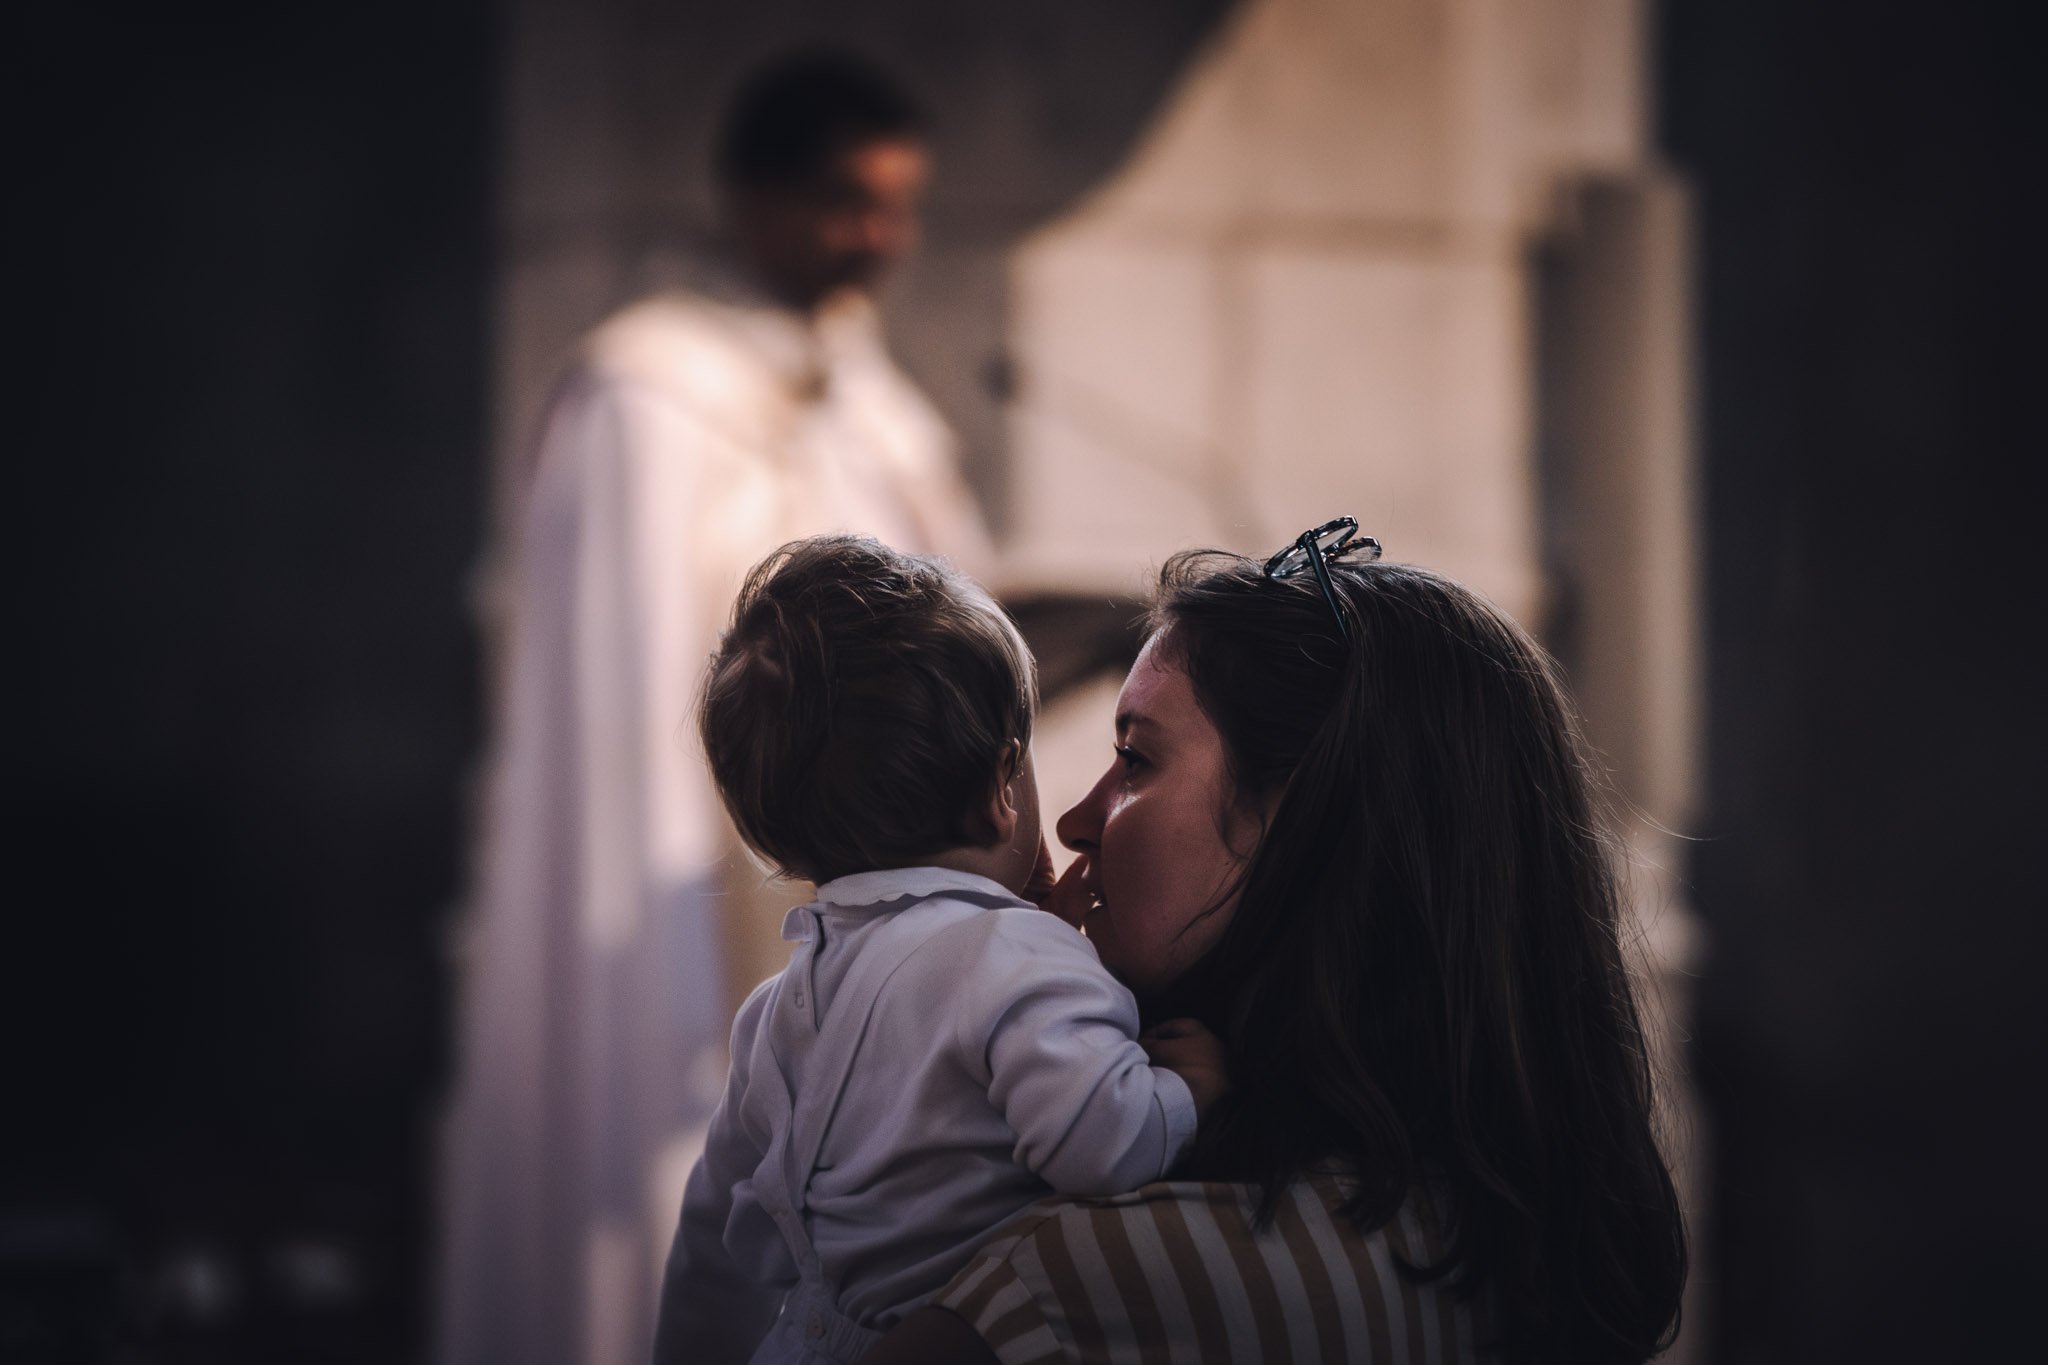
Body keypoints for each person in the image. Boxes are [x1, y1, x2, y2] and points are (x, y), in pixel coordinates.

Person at [438, 52, 989, 1365]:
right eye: (849, 202)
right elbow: (631, 697)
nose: (880, 241)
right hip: (704, 877)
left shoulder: (880, 411)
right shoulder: (646, 395)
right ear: (751, 197)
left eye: (900, 208)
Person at [867, 521, 1688, 1364]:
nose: (1075, 823)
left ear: (1310, 827)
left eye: (1136, 760)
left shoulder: (1075, 1287)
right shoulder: (1516, 1256)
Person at [653, 536, 1226, 1365]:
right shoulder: (1024, 958)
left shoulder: (776, 1012)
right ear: (1002, 788)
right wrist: (1186, 1092)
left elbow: (712, 1246)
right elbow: (1102, 1142)